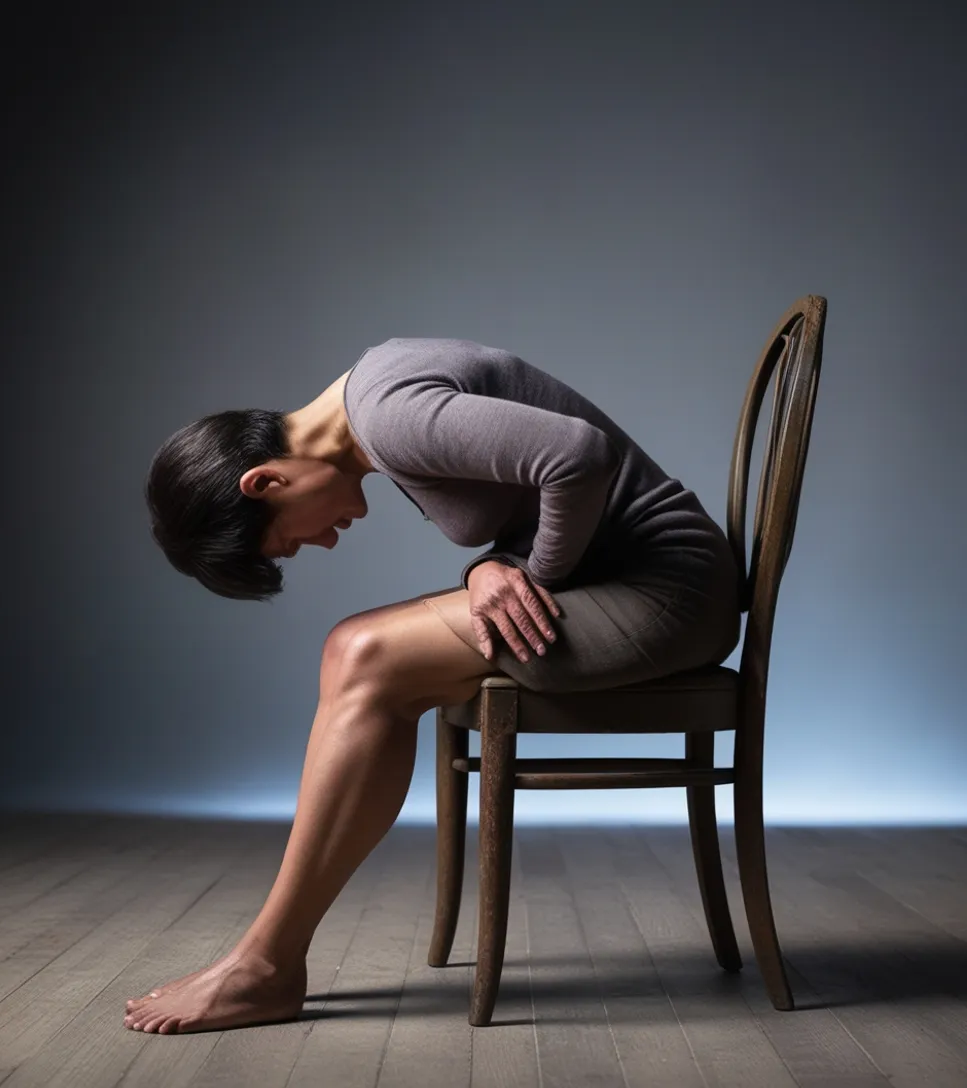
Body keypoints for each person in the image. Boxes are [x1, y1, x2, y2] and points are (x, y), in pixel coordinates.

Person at [130, 337, 741, 1033]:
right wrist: (490, 568)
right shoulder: (377, 399)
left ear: (266, 483)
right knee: (355, 654)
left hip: (664, 593)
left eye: (289, 543)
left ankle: (265, 966)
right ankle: (265, 959)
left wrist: (530, 575)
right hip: (627, 581)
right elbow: (547, 489)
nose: (322, 544)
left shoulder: (388, 416)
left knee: (363, 654)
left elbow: (579, 457)